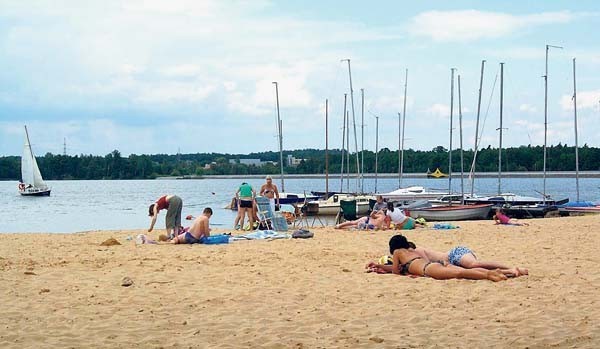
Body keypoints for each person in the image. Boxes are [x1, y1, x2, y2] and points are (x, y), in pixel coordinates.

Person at [378, 235, 508, 281]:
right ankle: (499, 272)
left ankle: (488, 275)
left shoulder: (396, 252)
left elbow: (395, 271)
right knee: (459, 271)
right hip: (435, 264)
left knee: (460, 273)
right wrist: (379, 266)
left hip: (427, 270)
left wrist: (395, 269)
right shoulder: (411, 250)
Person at [367, 244, 528, 277]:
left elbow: (426, 265)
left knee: (473, 265)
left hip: (454, 255)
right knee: (469, 269)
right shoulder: (409, 255)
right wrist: (380, 266)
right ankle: (509, 271)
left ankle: (511, 268)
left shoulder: (415, 252)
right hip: (450, 260)